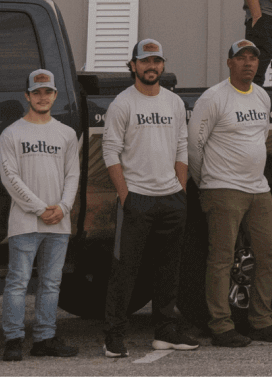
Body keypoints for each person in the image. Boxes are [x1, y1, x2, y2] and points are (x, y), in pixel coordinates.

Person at [101, 39, 195, 359]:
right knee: (125, 270)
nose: (150, 66)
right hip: (137, 199)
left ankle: (165, 331)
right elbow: (110, 151)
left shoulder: (173, 103)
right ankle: (113, 335)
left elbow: (182, 146)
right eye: (144, 61)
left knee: (169, 269)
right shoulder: (122, 104)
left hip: (171, 198)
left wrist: (180, 191)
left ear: (162, 65)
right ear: (133, 66)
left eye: (156, 61)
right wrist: (126, 196)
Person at [188, 39, 272, 347]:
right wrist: (208, 182)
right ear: (230, 63)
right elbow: (194, 145)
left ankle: (261, 321)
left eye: (253, 58)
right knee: (221, 259)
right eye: (241, 58)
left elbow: (261, 136)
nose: (248, 63)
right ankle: (221, 326)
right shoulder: (214, 97)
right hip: (222, 189)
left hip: (259, 189)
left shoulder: (262, 97)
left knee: (270, 256)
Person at [0, 68, 80, 360]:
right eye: (37, 92)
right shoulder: (12, 133)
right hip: (25, 221)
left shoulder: (66, 134)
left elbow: (73, 175)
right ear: (27, 96)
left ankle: (45, 339)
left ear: (55, 95)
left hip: (59, 220)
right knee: (18, 280)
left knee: (51, 282)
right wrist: (39, 208)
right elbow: (10, 177)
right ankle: (13, 340)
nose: (42, 97)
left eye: (48, 92)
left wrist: (62, 207)